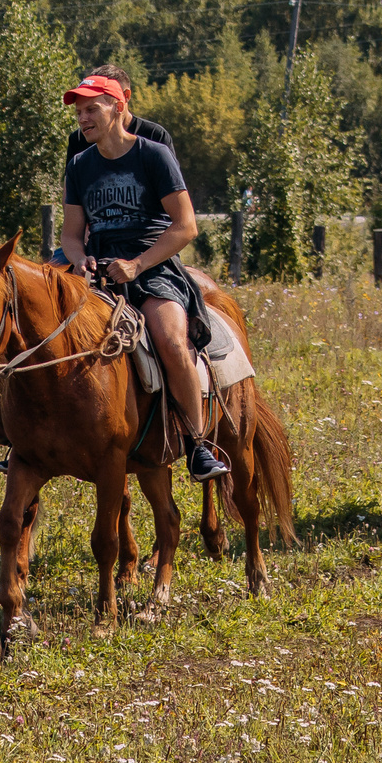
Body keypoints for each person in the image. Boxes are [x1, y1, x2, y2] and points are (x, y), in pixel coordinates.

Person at [60, 72, 229, 484]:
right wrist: (80, 259)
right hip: (98, 270)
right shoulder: (80, 165)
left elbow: (186, 226)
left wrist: (137, 264)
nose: (83, 118)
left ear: (118, 106)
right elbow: (69, 232)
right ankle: (28, 440)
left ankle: (197, 443)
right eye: (79, 112)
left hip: (151, 268)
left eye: (91, 109)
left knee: (172, 340)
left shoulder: (153, 154)